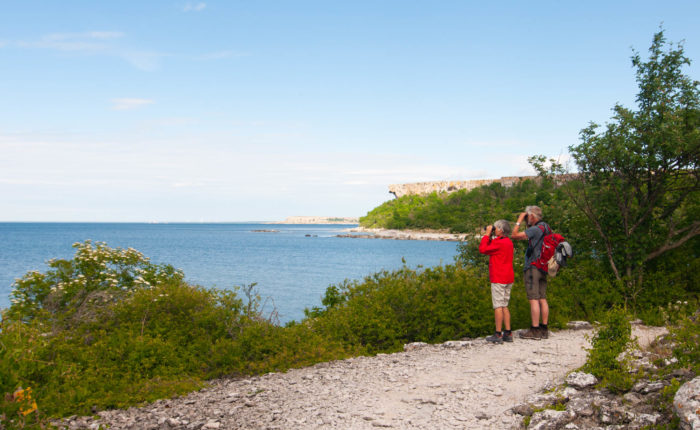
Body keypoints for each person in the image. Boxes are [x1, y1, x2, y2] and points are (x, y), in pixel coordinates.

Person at [511, 205, 550, 340]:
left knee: (533, 299)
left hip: (533, 267)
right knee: (542, 298)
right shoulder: (546, 227)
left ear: (532, 216)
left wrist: (520, 220)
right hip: (544, 267)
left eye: (528, 217)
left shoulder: (535, 229)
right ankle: (544, 329)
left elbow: (514, 235)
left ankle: (534, 330)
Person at [478, 219, 514, 344]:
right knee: (504, 305)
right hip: (508, 277)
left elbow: (483, 249)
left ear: (501, 230)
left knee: (498, 306)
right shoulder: (508, 242)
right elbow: (491, 246)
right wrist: (491, 235)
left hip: (499, 278)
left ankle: (498, 334)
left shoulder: (499, 243)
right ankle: (508, 332)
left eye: (496, 228)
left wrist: (487, 234)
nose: (494, 229)